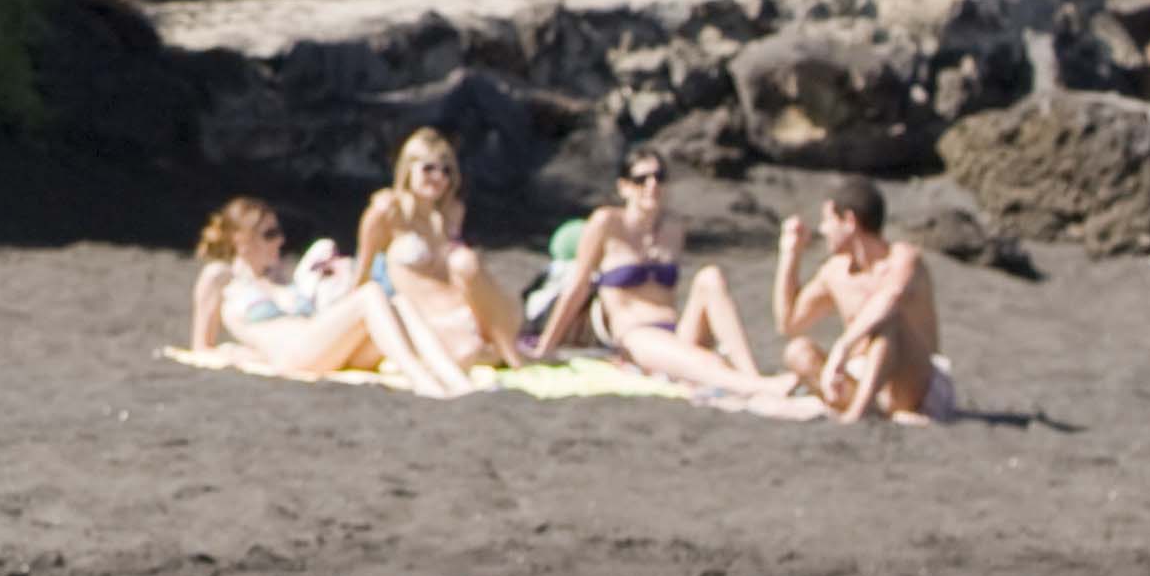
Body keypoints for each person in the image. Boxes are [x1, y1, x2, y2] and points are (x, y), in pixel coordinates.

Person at [526, 147, 811, 412]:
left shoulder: (673, 229)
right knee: (706, 362)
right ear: (624, 187)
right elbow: (577, 287)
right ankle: (759, 387)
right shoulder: (606, 223)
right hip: (634, 335)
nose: (652, 186)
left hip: (673, 329)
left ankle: (750, 375)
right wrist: (546, 346)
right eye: (641, 179)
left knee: (710, 277)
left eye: (658, 177)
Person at [180, 194, 460, 393]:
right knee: (370, 294)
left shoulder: (278, 277)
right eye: (270, 233)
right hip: (292, 353)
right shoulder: (221, 277)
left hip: (315, 344)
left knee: (398, 303)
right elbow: (201, 348)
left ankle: (452, 376)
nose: (280, 241)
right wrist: (238, 355)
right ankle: (421, 379)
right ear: (241, 240)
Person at [355, 124, 527, 382]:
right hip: (426, 316)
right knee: (465, 351)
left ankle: (509, 352)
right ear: (408, 168)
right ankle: (501, 351)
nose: (438, 177)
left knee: (465, 262)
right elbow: (363, 273)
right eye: (428, 168)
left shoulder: (450, 214)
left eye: (446, 170)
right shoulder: (387, 212)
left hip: (467, 309)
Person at [774, 179, 953, 423]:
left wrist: (842, 347)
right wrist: (790, 254)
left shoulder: (903, 259)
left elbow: (890, 299)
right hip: (864, 380)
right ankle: (872, 409)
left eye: (828, 221)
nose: (823, 230)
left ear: (848, 222)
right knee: (798, 352)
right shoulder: (835, 273)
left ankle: (856, 414)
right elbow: (789, 324)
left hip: (916, 382)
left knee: (887, 323)